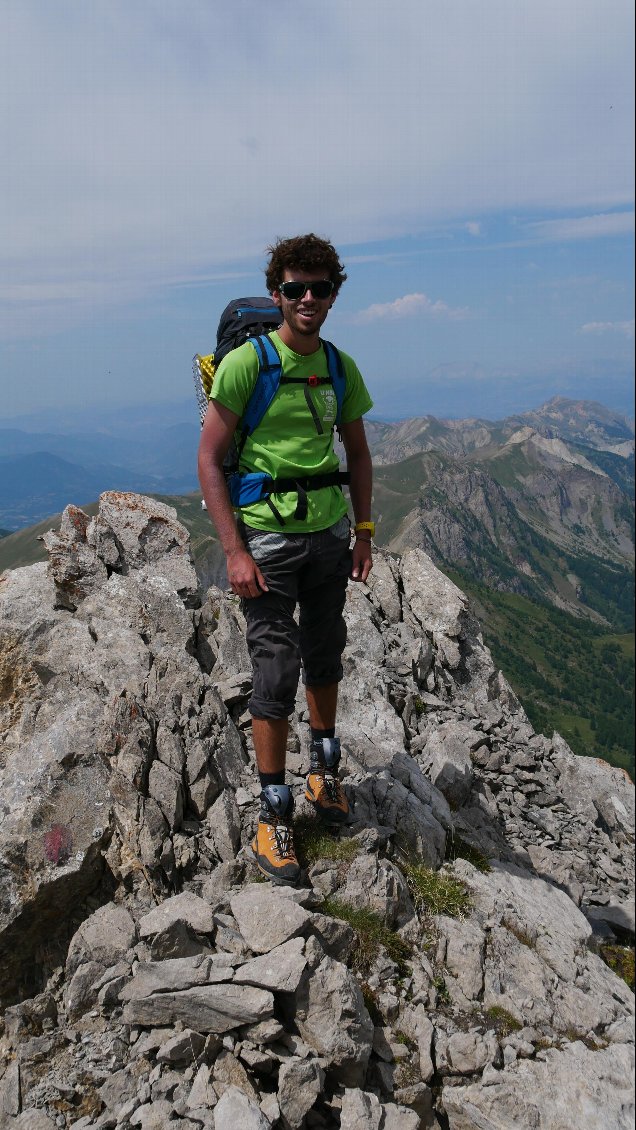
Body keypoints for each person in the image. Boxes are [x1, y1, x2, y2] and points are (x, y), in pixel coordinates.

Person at [198, 233, 374, 885]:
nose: (307, 298)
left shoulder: (338, 366)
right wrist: (233, 552)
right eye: (295, 288)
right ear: (277, 295)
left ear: (333, 294)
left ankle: (324, 775)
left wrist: (364, 531)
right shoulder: (249, 365)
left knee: (326, 654)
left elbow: (357, 452)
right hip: (267, 545)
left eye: (319, 288)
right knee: (276, 672)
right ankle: (273, 818)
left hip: (329, 538)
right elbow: (209, 459)